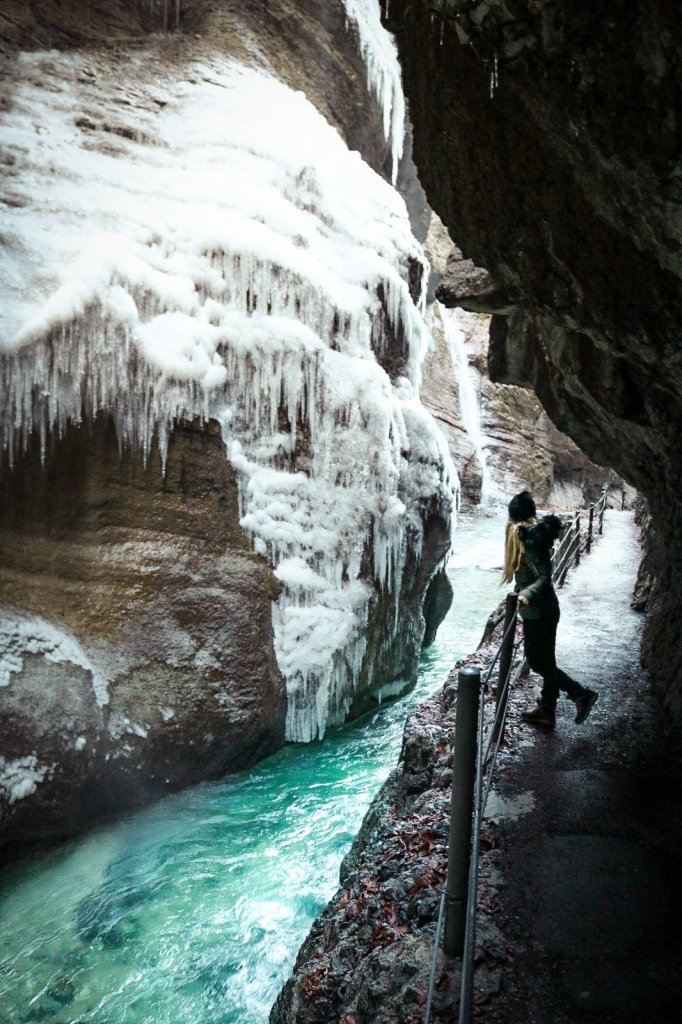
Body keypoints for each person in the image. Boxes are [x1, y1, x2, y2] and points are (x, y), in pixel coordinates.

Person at [502, 490, 598, 728]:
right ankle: (547, 710)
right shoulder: (533, 535)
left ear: (514, 517)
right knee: (547, 661)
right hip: (543, 610)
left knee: (537, 662)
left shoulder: (529, 541)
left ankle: (580, 694)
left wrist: (526, 594)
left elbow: (545, 576)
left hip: (540, 612)